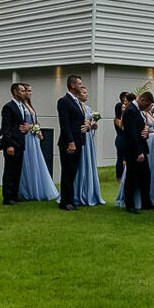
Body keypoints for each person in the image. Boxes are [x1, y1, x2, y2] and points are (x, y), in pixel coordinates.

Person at [57, 75, 93, 209]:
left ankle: (70, 200)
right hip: (69, 143)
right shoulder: (64, 101)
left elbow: (80, 120)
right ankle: (65, 202)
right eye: (79, 84)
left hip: (79, 141)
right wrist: (71, 142)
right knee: (67, 172)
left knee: (73, 172)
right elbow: (64, 123)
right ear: (72, 85)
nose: (81, 86)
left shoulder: (78, 102)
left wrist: (87, 124)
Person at [119, 92, 153, 212]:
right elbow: (131, 133)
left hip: (140, 147)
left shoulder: (136, 110)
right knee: (132, 177)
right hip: (134, 150)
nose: (146, 108)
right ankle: (130, 204)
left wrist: (145, 130)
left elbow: (139, 129)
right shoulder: (131, 111)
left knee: (146, 176)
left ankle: (146, 202)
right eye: (147, 105)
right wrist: (139, 152)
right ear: (142, 99)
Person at [0, 83, 30, 204]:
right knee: (10, 171)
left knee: (17, 171)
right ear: (15, 92)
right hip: (12, 143)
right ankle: (7, 197)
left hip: (21, 142)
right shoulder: (8, 107)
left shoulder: (22, 107)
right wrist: (9, 144)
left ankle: (15, 195)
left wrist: (26, 129)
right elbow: (6, 127)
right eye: (22, 91)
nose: (24, 93)